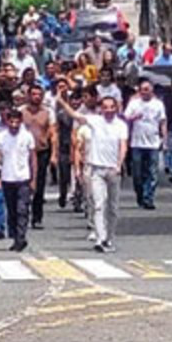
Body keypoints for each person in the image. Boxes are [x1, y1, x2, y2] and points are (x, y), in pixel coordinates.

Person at [68, 94, 127, 253]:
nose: (108, 110)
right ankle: (100, 239)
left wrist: (119, 165)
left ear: (116, 108)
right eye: (105, 107)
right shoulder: (95, 121)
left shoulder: (121, 125)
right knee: (99, 204)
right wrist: (60, 100)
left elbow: (123, 146)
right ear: (101, 108)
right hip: (96, 169)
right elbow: (75, 115)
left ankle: (109, 237)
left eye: (111, 107)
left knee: (113, 207)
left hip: (113, 170)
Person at [0, 109, 36, 252]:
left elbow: (33, 158)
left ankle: (21, 238)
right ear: (7, 122)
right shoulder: (1, 137)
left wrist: (33, 179)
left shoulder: (27, 137)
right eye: (12, 121)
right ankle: (15, 236)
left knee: (22, 209)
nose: (14, 125)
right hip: (7, 178)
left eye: (17, 122)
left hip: (23, 178)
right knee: (11, 210)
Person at [124, 81, 167, 210]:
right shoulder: (134, 103)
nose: (145, 92)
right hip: (137, 142)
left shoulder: (158, 104)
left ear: (152, 90)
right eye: (142, 89)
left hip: (153, 142)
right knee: (137, 173)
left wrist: (163, 138)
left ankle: (149, 197)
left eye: (147, 89)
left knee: (152, 172)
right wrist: (133, 118)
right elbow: (125, 118)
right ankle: (140, 194)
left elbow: (163, 121)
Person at [20, 86, 56, 229]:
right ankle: (22, 214)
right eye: (33, 94)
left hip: (42, 151)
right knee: (23, 183)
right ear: (28, 95)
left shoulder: (48, 112)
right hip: (23, 152)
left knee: (39, 184)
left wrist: (54, 154)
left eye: (39, 94)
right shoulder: (21, 111)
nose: (36, 97)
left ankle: (37, 217)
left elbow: (53, 133)